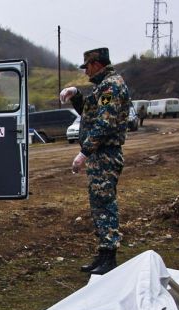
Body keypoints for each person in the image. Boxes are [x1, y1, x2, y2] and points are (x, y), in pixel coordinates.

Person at [60, 47, 130, 275]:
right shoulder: (102, 86)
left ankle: (109, 256)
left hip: (106, 154)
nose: (86, 72)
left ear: (96, 64)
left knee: (105, 204)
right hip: (100, 155)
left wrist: (84, 152)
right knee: (98, 204)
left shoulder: (111, 86)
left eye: (87, 67)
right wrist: (76, 96)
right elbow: (90, 112)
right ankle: (103, 254)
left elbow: (105, 123)